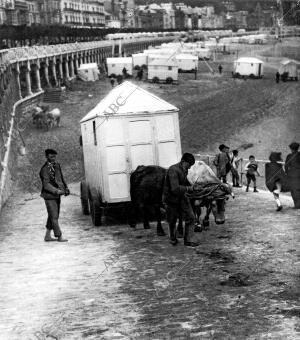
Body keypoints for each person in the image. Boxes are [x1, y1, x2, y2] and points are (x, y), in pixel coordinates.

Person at [163, 153, 200, 247]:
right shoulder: (173, 170)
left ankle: (188, 240)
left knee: (191, 217)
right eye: (188, 165)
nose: (189, 168)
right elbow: (175, 189)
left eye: (191, 166)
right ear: (183, 162)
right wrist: (188, 188)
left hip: (182, 197)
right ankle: (172, 238)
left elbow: (184, 181)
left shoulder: (184, 169)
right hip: (171, 199)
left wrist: (193, 185)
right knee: (172, 220)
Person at [39, 149, 70, 242]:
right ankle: (59, 236)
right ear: (46, 157)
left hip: (57, 196)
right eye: (51, 157)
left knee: (52, 216)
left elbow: (61, 178)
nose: (53, 158)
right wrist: (56, 191)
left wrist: (66, 188)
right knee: (54, 216)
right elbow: (46, 185)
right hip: (49, 196)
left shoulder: (57, 165)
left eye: (54, 156)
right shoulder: (44, 169)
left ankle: (47, 236)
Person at [285, 142, 300, 209]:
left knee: (294, 190)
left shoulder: (289, 156)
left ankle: (297, 205)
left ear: (291, 148)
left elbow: (286, 166)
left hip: (292, 175)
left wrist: (287, 173)